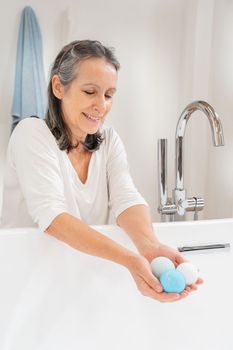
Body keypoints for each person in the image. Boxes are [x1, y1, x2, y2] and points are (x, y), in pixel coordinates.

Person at [1, 40, 202, 302]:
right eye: (90, 92)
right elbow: (53, 218)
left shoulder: (107, 139)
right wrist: (130, 259)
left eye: (108, 95)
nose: (101, 105)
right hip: (25, 278)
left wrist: (150, 247)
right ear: (58, 87)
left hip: (78, 276)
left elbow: (126, 198)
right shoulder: (31, 134)